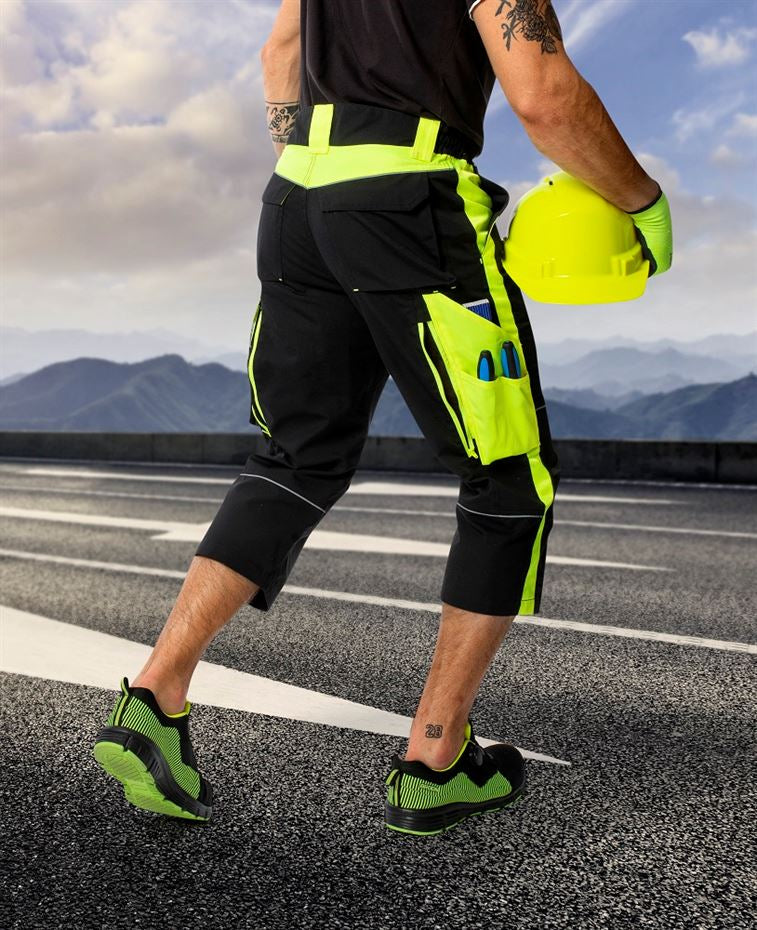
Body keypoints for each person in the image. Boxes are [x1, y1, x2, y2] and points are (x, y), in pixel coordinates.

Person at [93, 0, 673, 835]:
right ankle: (435, 761)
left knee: (294, 458)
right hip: (408, 199)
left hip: (296, 198)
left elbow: (281, 48)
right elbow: (542, 96)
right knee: (508, 477)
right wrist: (642, 201)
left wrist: (320, 173)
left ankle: (153, 697)